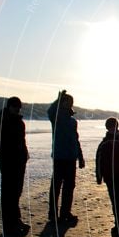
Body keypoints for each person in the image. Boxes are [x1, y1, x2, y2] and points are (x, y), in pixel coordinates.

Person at [0, 96, 30, 237]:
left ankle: (16, 221)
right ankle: (8, 226)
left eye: (19, 108)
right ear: (9, 107)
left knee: (16, 193)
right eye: (15, 107)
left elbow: (22, 142)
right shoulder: (0, 122)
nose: (17, 110)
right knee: (8, 195)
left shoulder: (20, 123)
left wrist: (24, 154)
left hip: (20, 162)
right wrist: (6, 154)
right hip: (8, 163)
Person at [47, 90, 85, 225]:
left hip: (71, 158)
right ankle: (53, 214)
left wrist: (80, 156)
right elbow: (50, 111)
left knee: (69, 187)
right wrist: (57, 99)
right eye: (66, 102)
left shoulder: (73, 121)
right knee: (56, 186)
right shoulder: (56, 118)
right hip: (59, 157)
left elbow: (75, 139)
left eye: (70, 102)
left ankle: (65, 213)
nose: (69, 104)